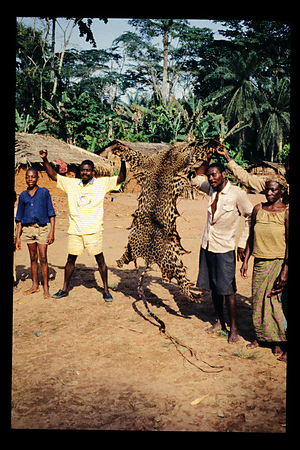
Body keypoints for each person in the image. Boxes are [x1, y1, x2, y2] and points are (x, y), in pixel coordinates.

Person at [39, 150, 126, 301]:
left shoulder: (102, 183)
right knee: (70, 260)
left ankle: (106, 290)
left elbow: (121, 178)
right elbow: (54, 175)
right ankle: (65, 289)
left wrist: (123, 161)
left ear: (93, 171)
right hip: (75, 230)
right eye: (83, 170)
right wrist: (45, 159)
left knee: (100, 260)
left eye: (88, 170)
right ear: (80, 171)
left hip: (93, 230)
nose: (85, 172)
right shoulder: (72, 184)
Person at [192, 160, 253, 343]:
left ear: (224, 174)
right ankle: (220, 320)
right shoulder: (210, 188)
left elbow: (250, 216)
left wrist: (242, 242)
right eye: (209, 175)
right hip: (208, 245)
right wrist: (207, 158)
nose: (210, 178)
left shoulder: (236, 194)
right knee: (214, 287)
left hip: (225, 248)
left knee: (228, 290)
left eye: (214, 174)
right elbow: (196, 179)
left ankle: (233, 328)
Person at [240, 174, 288, 361]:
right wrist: (245, 260)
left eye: (273, 189)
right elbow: (251, 236)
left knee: (274, 302)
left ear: (282, 191)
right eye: (267, 189)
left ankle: (276, 340)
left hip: (277, 263)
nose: (269, 192)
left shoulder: (286, 212)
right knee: (258, 301)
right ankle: (260, 337)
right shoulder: (258, 209)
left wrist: (285, 269)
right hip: (260, 262)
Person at [15, 168, 56, 298]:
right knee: (33, 258)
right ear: (25, 179)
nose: (30, 179)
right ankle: (35, 285)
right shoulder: (22, 195)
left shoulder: (44, 192)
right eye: (27, 177)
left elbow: (51, 213)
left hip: (42, 229)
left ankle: (46, 287)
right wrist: (18, 237)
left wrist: (52, 232)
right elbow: (19, 218)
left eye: (33, 177)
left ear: (37, 178)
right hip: (28, 230)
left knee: (43, 258)